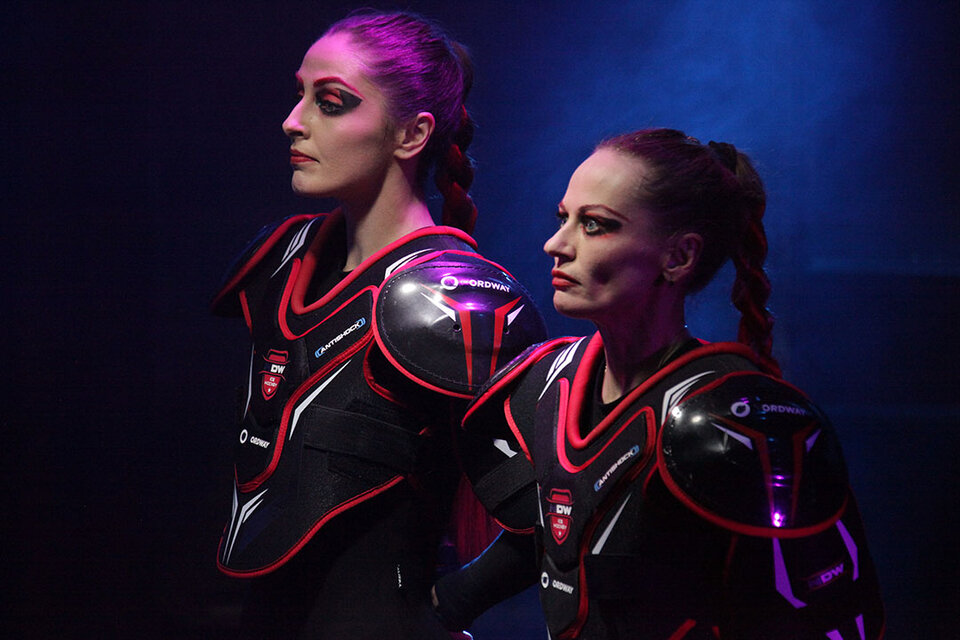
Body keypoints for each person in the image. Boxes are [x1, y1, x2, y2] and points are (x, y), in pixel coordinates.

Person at [434, 128, 885, 638]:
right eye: (564, 218)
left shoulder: (737, 424)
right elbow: (554, 539)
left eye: (595, 225)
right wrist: (437, 608)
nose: (555, 245)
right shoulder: (543, 386)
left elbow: (835, 616)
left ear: (678, 257)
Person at [210, 11, 545, 639]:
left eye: (330, 102)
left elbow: (551, 508)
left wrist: (449, 607)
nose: (293, 120)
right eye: (300, 94)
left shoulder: (456, 302)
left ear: (412, 134)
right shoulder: (278, 264)